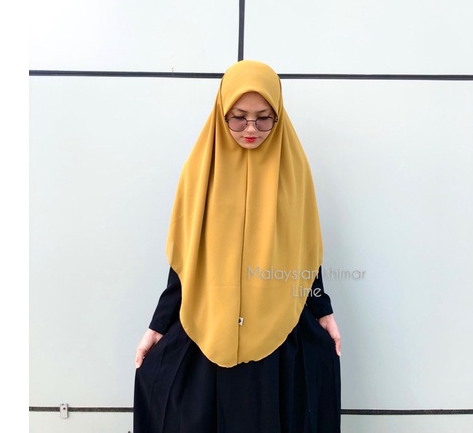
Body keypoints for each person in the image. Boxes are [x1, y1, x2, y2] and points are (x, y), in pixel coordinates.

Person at [133, 60, 341, 433]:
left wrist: (322, 309)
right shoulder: (200, 169)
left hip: (276, 321)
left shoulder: (293, 169)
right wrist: (159, 323)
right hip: (209, 319)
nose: (251, 129)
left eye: (264, 118)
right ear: (222, 112)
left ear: (278, 115)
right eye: (239, 118)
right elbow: (185, 258)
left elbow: (304, 249)